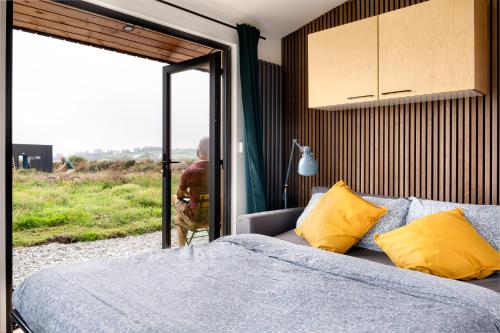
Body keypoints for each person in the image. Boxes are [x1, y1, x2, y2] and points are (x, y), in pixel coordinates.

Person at [172, 137, 209, 247]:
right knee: (181, 214)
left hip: (196, 220)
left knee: (175, 199)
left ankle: (181, 248)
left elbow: (179, 195)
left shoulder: (190, 171)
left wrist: (187, 192)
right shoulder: (220, 168)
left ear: (199, 150)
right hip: (216, 218)